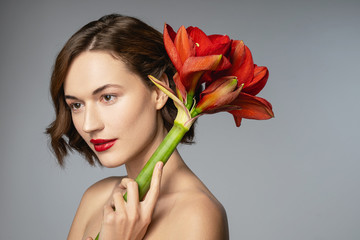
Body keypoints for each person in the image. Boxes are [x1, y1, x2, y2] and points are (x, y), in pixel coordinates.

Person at [46, 14, 229, 240]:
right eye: (76, 105)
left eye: (108, 97)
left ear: (159, 91)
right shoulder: (95, 198)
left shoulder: (197, 215)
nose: (88, 124)